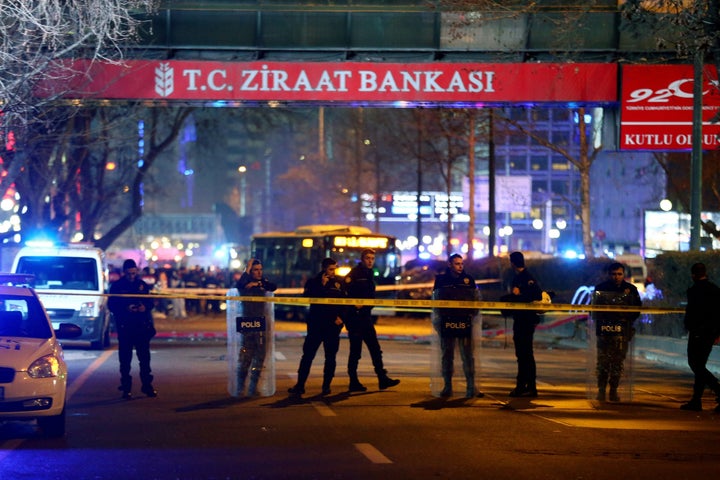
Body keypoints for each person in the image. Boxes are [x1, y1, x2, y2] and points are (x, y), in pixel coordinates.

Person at [344, 248, 400, 392]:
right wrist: (353, 307)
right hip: (355, 319)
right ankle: (353, 381)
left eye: (372, 258)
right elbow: (344, 295)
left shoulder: (370, 274)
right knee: (355, 351)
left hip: (366, 318)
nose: (370, 261)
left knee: (375, 349)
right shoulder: (354, 274)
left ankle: (382, 378)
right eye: (367, 258)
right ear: (362, 259)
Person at [288, 258, 346, 397]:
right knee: (307, 355)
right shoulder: (313, 282)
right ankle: (300, 385)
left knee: (330, 357)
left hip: (332, 327)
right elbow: (307, 297)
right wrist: (322, 285)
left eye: (335, 269)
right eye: (331, 269)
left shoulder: (339, 283)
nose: (333, 272)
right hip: (316, 325)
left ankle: (326, 386)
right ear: (324, 268)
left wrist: (342, 319)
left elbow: (345, 303)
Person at [432, 253, 483, 398]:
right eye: (457, 264)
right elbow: (435, 301)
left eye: (461, 263)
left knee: (467, 355)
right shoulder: (441, 280)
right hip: (447, 321)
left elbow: (476, 300)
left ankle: (471, 387)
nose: (460, 266)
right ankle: (447, 386)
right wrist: (437, 320)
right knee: (447, 355)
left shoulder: (468, 280)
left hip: (464, 322)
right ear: (450, 264)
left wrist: (472, 316)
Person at [592, 262, 642, 402]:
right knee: (603, 361)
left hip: (622, 331)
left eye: (619, 274)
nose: (616, 277)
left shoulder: (630, 289)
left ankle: (613, 390)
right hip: (604, 330)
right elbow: (594, 309)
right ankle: (601, 390)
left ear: (623, 274)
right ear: (609, 274)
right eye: (613, 274)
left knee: (618, 361)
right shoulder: (601, 288)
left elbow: (637, 309)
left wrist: (626, 321)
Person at [108, 259, 157, 399]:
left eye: (134, 273)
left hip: (141, 327)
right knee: (125, 360)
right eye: (129, 273)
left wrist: (144, 308)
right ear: (124, 272)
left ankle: (147, 386)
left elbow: (150, 303)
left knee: (145, 359)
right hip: (125, 327)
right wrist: (126, 308)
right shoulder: (117, 286)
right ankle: (126, 387)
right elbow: (112, 306)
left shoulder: (142, 285)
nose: (132, 276)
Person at [680, 262, 720, 412]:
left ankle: (714, 390)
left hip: (697, 332)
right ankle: (696, 400)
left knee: (695, 364)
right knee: (700, 365)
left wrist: (689, 327)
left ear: (693, 275)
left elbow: (692, 313)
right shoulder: (715, 290)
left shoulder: (694, 290)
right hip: (709, 333)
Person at [235, 259, 277, 397]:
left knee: (260, 358)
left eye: (260, 269)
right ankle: (240, 387)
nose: (259, 272)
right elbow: (239, 284)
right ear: (249, 272)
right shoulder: (243, 284)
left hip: (262, 325)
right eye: (255, 270)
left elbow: (273, 286)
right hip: (248, 325)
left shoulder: (262, 283)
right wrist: (247, 269)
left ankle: (253, 388)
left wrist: (258, 283)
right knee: (246, 358)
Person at [503, 251, 543, 398]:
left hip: (525, 320)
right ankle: (527, 386)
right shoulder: (524, 276)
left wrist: (520, 293)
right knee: (525, 354)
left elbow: (536, 295)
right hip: (522, 319)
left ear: (512, 263)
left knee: (524, 354)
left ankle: (525, 386)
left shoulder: (525, 278)